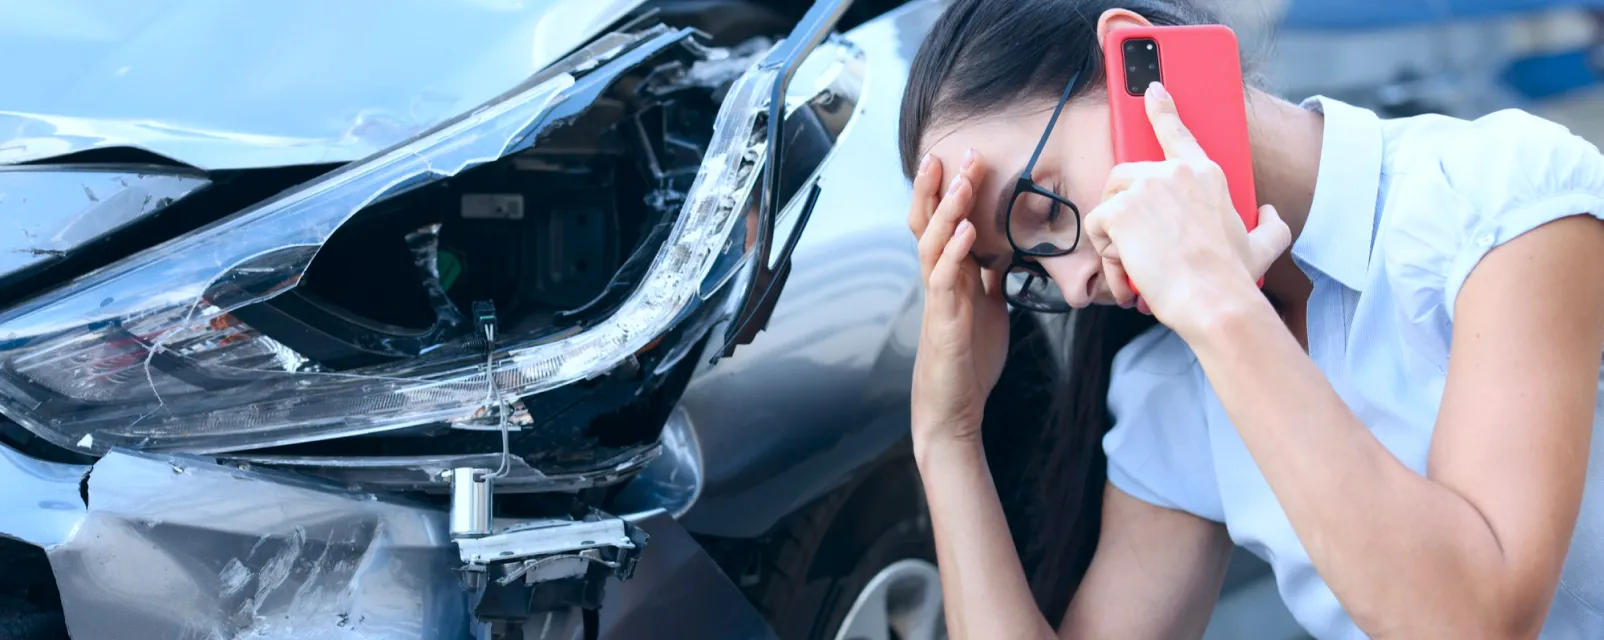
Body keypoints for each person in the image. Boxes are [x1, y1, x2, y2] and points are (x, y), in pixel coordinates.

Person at [898, 0, 1604, 638]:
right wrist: (947, 436)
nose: (1076, 287)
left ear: (1136, 67)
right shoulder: (1175, 384)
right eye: (1026, 271)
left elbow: (1473, 623)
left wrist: (1218, 303)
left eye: (1046, 210)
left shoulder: (1497, 200)